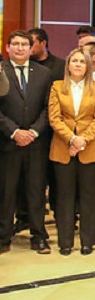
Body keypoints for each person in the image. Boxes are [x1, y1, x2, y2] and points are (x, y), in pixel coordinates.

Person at [0, 31, 55, 254]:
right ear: (7, 47)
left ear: (31, 48)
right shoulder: (1, 71)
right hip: (7, 143)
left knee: (36, 191)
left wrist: (33, 131)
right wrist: (14, 132)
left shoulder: (44, 73)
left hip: (36, 143)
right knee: (6, 193)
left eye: (25, 44)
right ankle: (3, 237)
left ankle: (38, 235)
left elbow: (48, 108)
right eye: (16, 44)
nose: (20, 48)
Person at [47, 48, 95, 255]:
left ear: (88, 66)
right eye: (74, 61)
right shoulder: (57, 86)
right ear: (68, 65)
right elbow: (54, 118)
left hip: (90, 147)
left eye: (82, 61)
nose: (78, 64)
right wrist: (71, 138)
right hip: (63, 147)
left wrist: (82, 140)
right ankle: (65, 242)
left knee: (89, 195)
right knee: (65, 196)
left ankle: (88, 241)